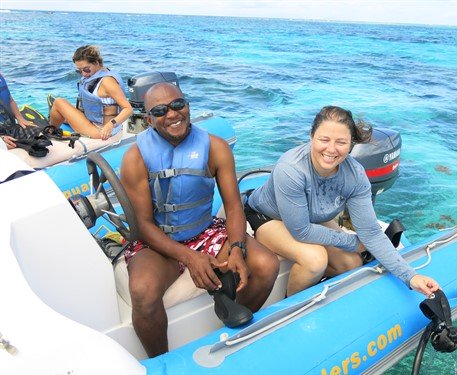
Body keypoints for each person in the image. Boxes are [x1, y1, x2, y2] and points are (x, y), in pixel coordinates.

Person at [120, 82, 280, 357]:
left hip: (204, 230)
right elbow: (143, 225)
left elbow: (232, 208)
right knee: (143, 292)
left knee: (266, 264)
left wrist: (238, 248)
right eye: (160, 111)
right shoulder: (135, 158)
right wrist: (189, 257)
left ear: (188, 106)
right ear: (148, 120)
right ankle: (163, 362)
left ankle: (230, 332)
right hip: (158, 242)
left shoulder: (215, 147)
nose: (172, 114)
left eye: (178, 105)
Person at [245, 105, 440, 298]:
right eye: (324, 139)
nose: (331, 149)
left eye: (341, 142)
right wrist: (352, 242)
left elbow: (371, 233)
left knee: (351, 263)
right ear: (311, 137)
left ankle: (316, 292)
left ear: (352, 144)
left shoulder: (354, 174)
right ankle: (291, 309)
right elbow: (301, 231)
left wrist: (411, 277)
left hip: (311, 215)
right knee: (315, 260)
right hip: (267, 216)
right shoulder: (291, 169)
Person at [48, 45, 132, 140]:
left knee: (59, 102)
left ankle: (50, 132)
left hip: (101, 130)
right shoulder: (97, 74)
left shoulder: (107, 82)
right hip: (92, 120)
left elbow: (128, 109)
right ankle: (56, 116)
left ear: (96, 63)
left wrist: (110, 125)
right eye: (79, 71)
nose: (84, 74)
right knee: (63, 114)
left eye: (86, 69)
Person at [0, 73, 37, 150]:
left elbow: (10, 100)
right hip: (2, 136)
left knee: (39, 135)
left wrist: (20, 118)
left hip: (11, 128)